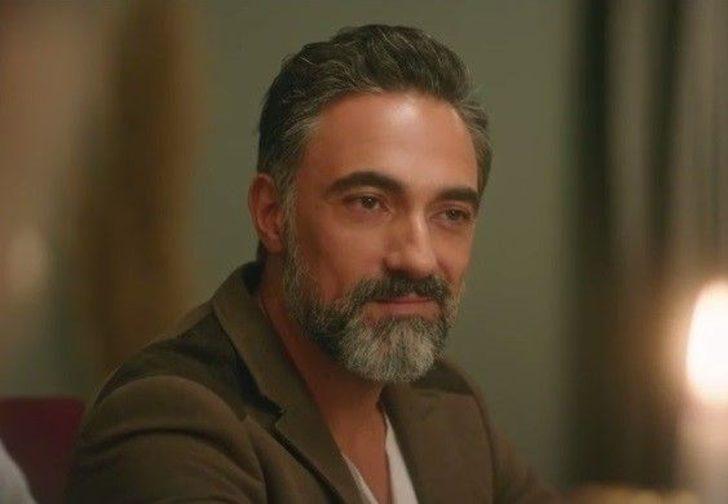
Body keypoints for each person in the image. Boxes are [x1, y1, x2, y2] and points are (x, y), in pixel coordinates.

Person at [67, 24, 558, 503]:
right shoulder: (171, 420)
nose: (417, 257)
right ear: (272, 213)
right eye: (369, 203)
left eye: (451, 214)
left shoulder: (448, 403)